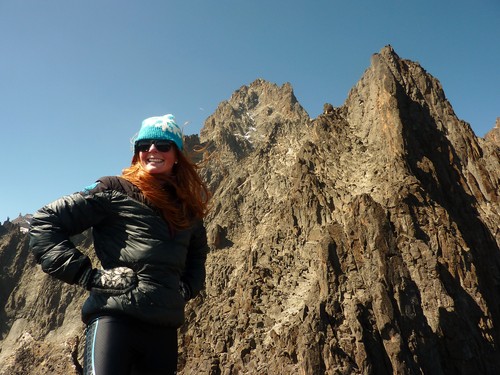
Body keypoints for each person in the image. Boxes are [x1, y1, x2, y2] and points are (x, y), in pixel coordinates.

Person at [29, 114, 210, 375]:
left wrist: (185, 289)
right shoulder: (114, 189)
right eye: (143, 145)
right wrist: (88, 276)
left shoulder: (188, 211)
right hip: (115, 320)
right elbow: (45, 222)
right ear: (136, 152)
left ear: (177, 154)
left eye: (162, 145)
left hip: (164, 329)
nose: (152, 151)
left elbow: (198, 256)